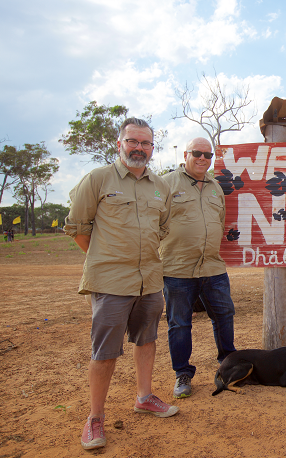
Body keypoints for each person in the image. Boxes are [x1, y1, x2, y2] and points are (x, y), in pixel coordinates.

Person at [65, 118, 178, 451]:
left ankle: (144, 397)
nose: (139, 148)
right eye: (133, 141)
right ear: (120, 143)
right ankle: (95, 417)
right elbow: (77, 227)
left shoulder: (160, 186)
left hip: (149, 281)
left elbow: (163, 227)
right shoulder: (98, 179)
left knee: (147, 340)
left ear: (152, 148)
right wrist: (104, 259)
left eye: (145, 143)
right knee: (106, 351)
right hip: (111, 282)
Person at [160, 137, 236, 399]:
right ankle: (183, 373)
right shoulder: (167, 183)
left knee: (224, 316)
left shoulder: (216, 188)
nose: (203, 158)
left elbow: (220, 222)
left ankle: (229, 365)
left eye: (208, 154)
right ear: (186, 154)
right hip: (177, 269)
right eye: (197, 153)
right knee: (179, 324)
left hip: (213, 267)